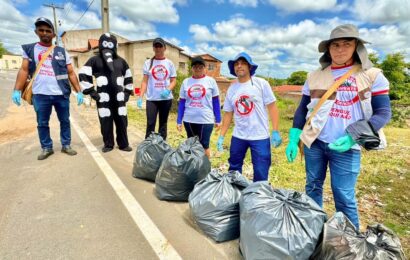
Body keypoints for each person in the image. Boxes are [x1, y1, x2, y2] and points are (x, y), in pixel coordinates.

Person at [285, 24, 392, 230]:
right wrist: (293, 137)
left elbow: (383, 113)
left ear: (356, 47)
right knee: (313, 186)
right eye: (335, 45)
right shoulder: (314, 76)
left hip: (346, 147)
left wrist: (354, 137)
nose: (340, 49)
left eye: (347, 44)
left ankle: (349, 241)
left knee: (343, 195)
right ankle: (313, 230)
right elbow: (302, 110)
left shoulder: (372, 75)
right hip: (314, 142)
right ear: (328, 49)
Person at [11, 17, 83, 160]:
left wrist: (79, 91)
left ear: (53, 34)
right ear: (36, 32)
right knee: (42, 123)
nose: (45, 33)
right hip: (40, 94)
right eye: (41, 30)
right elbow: (24, 70)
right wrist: (17, 90)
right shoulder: (30, 49)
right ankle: (46, 147)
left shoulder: (61, 51)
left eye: (48, 31)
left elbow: (71, 72)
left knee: (65, 121)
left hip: (61, 94)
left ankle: (66, 145)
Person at [217, 52, 282, 182]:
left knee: (261, 170)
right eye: (236, 64)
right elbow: (228, 114)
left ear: (250, 67)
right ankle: (234, 195)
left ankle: (257, 198)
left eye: (243, 63)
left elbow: (273, 107)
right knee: (234, 169)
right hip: (238, 136)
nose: (239, 66)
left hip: (260, 136)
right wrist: (221, 135)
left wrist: (275, 130)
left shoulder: (261, 83)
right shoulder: (232, 88)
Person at [79, 33, 133, 153]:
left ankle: (123, 144)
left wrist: (127, 93)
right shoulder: (94, 60)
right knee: (105, 121)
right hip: (103, 99)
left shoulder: (121, 61)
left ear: (115, 46)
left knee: (122, 121)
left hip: (120, 99)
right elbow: (83, 74)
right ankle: (108, 144)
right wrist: (92, 92)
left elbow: (129, 77)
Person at [176, 56, 222, 158]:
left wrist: (218, 119)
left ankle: (204, 170)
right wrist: (179, 120)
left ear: (204, 68)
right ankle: (193, 169)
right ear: (191, 68)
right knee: (191, 145)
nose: (197, 69)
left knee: (205, 146)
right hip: (189, 119)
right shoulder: (186, 82)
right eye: (195, 67)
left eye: (200, 67)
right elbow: (182, 102)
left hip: (206, 120)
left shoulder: (210, 81)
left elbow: (215, 101)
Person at [137, 37, 176, 140]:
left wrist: (168, 90)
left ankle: (161, 145)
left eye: (160, 46)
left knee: (163, 124)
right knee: (150, 123)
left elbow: (173, 81)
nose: (158, 48)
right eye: (156, 46)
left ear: (164, 48)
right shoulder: (148, 63)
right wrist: (140, 96)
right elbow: (144, 81)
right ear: (153, 48)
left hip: (166, 99)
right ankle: (148, 145)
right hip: (152, 99)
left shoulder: (169, 63)